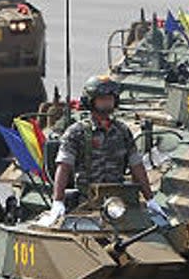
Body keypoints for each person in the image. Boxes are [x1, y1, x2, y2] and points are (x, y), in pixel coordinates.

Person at [42, 75, 160, 225]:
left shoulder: (122, 131)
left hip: (118, 203)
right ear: (91, 101)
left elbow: (137, 166)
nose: (107, 102)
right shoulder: (77, 132)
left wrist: (150, 199)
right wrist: (58, 201)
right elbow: (64, 167)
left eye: (110, 98)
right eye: (102, 99)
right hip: (87, 201)